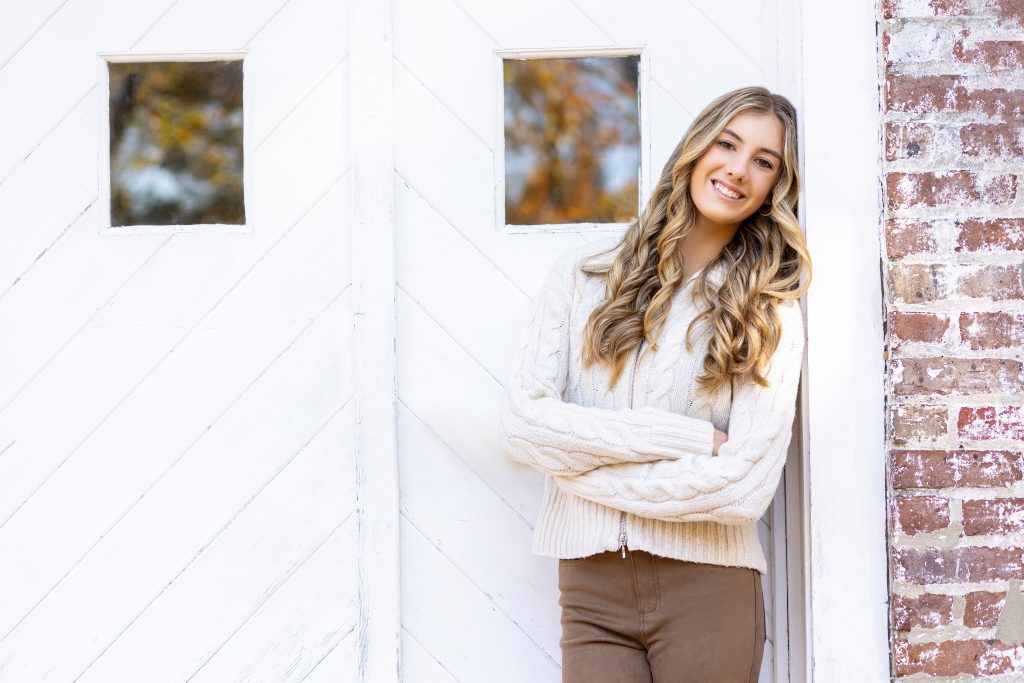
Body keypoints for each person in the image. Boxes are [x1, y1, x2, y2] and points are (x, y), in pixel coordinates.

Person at [498, 85, 812, 682]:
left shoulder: (766, 308)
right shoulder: (583, 277)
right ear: (696, 148)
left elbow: (744, 487)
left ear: (777, 186)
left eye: (764, 162)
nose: (738, 170)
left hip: (708, 587)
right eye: (728, 144)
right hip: (591, 588)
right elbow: (522, 426)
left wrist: (582, 472)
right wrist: (690, 440)